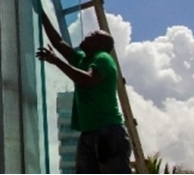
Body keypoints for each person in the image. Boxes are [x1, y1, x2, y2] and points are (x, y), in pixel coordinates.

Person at [36, 13, 132, 173]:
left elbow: (88, 80)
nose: (88, 35)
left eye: (93, 36)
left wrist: (56, 61)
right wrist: (41, 13)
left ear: (100, 45)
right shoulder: (81, 59)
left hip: (108, 132)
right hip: (88, 133)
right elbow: (58, 42)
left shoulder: (103, 58)